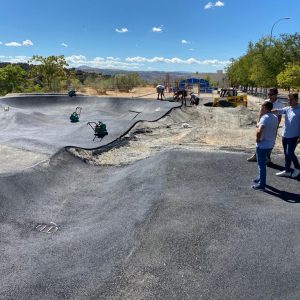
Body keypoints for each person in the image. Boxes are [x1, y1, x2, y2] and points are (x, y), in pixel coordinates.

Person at [247, 88, 283, 163]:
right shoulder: (266, 101)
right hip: (263, 123)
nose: (269, 95)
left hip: (272, 125)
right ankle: (256, 155)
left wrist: (276, 127)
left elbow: (279, 116)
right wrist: (258, 123)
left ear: (276, 95)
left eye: (271, 94)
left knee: (271, 141)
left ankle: (267, 157)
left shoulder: (279, 104)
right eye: (268, 94)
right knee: (259, 139)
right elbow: (261, 113)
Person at [252, 101, 278, 191]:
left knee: (261, 165)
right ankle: (260, 179)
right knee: (262, 164)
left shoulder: (264, 118)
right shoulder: (275, 117)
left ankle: (261, 184)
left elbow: (259, 131)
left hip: (262, 145)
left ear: (265, 108)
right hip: (270, 144)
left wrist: (258, 139)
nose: (260, 109)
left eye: (262, 107)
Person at [272, 93, 300, 178]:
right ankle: (287, 170)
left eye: (291, 99)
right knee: (286, 153)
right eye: (288, 99)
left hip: (294, 136)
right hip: (285, 135)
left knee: (290, 153)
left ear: (296, 100)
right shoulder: (288, 108)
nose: (289, 101)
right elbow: (278, 111)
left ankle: (297, 168)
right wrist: (268, 110)